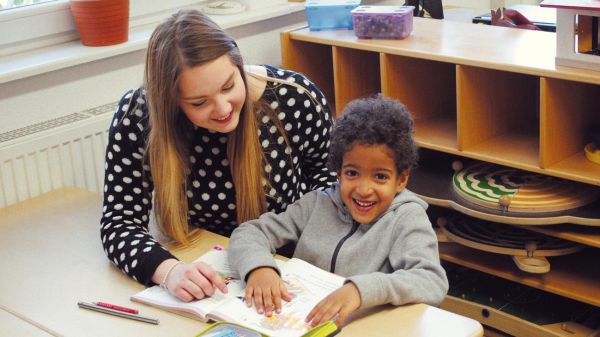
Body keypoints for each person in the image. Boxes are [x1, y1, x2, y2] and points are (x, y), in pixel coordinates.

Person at [100, 9, 336, 302]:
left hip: (284, 262)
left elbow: (331, 188)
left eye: (229, 87)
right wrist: (169, 271)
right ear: (170, 102)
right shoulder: (137, 116)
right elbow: (119, 221)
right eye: (199, 102)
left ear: (238, 65)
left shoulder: (295, 98)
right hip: (200, 265)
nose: (223, 109)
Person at [229, 96, 449, 327]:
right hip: (300, 323)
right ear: (338, 172)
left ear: (401, 180)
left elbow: (431, 280)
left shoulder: (407, 218)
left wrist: (359, 290)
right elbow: (250, 232)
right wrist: (259, 268)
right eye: (352, 173)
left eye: (380, 176)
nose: (364, 190)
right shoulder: (317, 203)